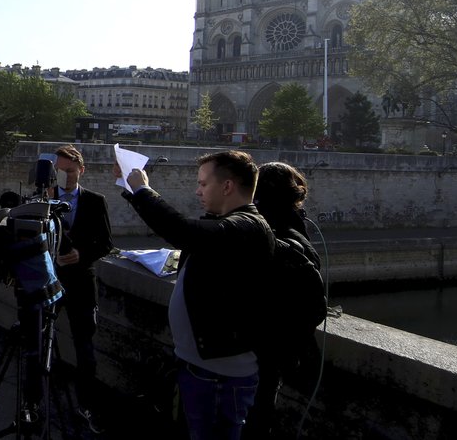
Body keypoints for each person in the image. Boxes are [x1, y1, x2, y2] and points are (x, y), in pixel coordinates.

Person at [118, 150, 275, 440]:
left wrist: (143, 190)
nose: (197, 190)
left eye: (203, 184)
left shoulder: (246, 227)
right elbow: (184, 232)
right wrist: (135, 193)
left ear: (227, 187)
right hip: (205, 367)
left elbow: (183, 231)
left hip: (218, 375)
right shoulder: (229, 225)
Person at [25, 145, 113, 432]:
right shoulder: (41, 200)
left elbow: (105, 243)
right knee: (37, 344)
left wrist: (82, 254)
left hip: (81, 283)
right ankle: (33, 404)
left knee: (84, 349)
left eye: (71, 172)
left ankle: (86, 405)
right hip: (50, 280)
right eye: (61, 172)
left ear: (82, 170)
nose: (66, 178)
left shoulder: (95, 201)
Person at [243, 162, 322, 440]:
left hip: (244, 340)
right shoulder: (291, 232)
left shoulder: (249, 223)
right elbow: (313, 303)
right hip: (271, 345)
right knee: (259, 411)